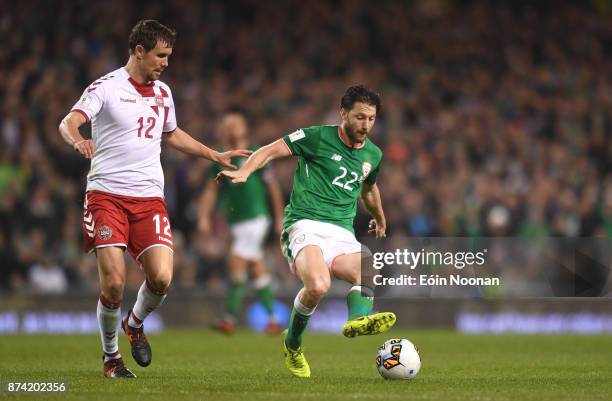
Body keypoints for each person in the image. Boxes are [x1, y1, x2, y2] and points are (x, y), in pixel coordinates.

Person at [58, 20, 249, 378]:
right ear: (139, 51)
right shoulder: (106, 87)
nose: (165, 63)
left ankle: (135, 323)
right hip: (107, 195)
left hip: (149, 198)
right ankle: (112, 358)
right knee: (114, 282)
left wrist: (213, 154)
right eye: (161, 55)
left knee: (161, 278)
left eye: (169, 56)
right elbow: (68, 122)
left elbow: (171, 134)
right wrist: (78, 139)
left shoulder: (163, 92)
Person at [218, 85, 395, 378]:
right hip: (304, 223)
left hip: (341, 231)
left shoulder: (373, 154)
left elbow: (369, 188)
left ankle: (358, 320)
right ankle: (292, 344)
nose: (366, 125)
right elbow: (271, 150)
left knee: (368, 265)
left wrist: (380, 216)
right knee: (318, 286)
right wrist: (245, 171)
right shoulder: (317, 137)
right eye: (360, 117)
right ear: (343, 114)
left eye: (371, 119)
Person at [198, 112, 284, 335]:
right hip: (236, 221)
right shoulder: (220, 158)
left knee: (236, 262)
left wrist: (279, 217)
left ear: (245, 128)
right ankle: (273, 319)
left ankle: (229, 318)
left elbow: (272, 187)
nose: (233, 128)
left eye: (237, 123)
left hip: (256, 217)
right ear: (223, 131)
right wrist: (204, 216)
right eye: (229, 125)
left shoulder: (256, 153)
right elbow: (210, 191)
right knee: (256, 267)